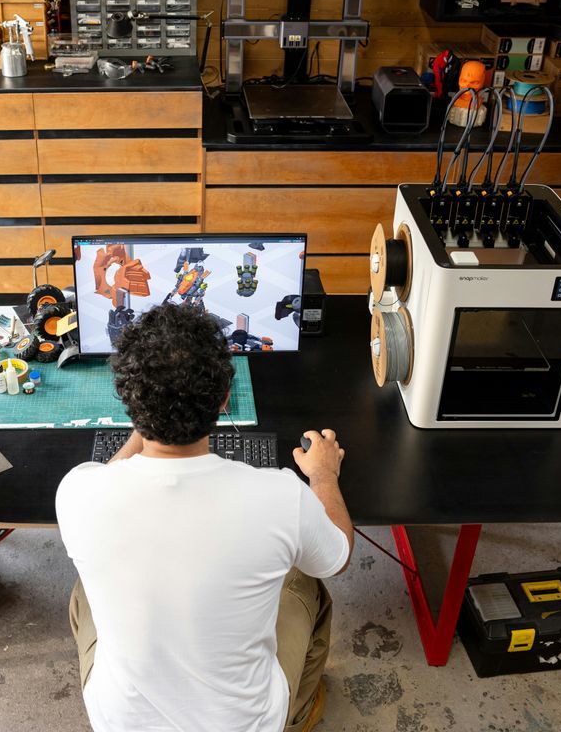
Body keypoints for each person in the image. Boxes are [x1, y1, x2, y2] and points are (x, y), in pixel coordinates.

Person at [56, 304, 355, 732]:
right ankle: (301, 709)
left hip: (119, 720)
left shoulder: (79, 493)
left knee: (87, 584)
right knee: (309, 579)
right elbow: (338, 556)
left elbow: (113, 473)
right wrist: (324, 475)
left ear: (128, 398)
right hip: (245, 723)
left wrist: (151, 412)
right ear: (224, 399)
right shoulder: (279, 496)